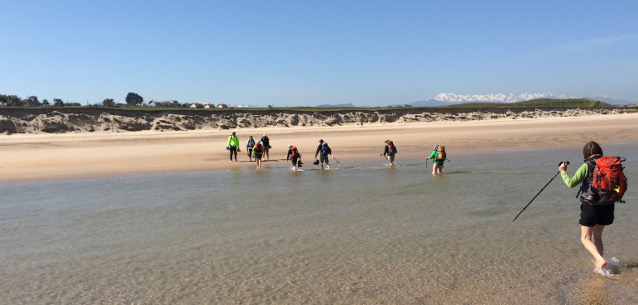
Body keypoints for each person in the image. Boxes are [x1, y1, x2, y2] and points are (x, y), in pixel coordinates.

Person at [559, 141, 615, 274]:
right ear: (600, 152)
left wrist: (562, 172)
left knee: (585, 238)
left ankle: (600, 260)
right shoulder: (609, 165)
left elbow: (571, 183)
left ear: (586, 154)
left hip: (591, 205)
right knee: (598, 237)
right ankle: (600, 265)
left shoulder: (587, 165)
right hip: (608, 204)